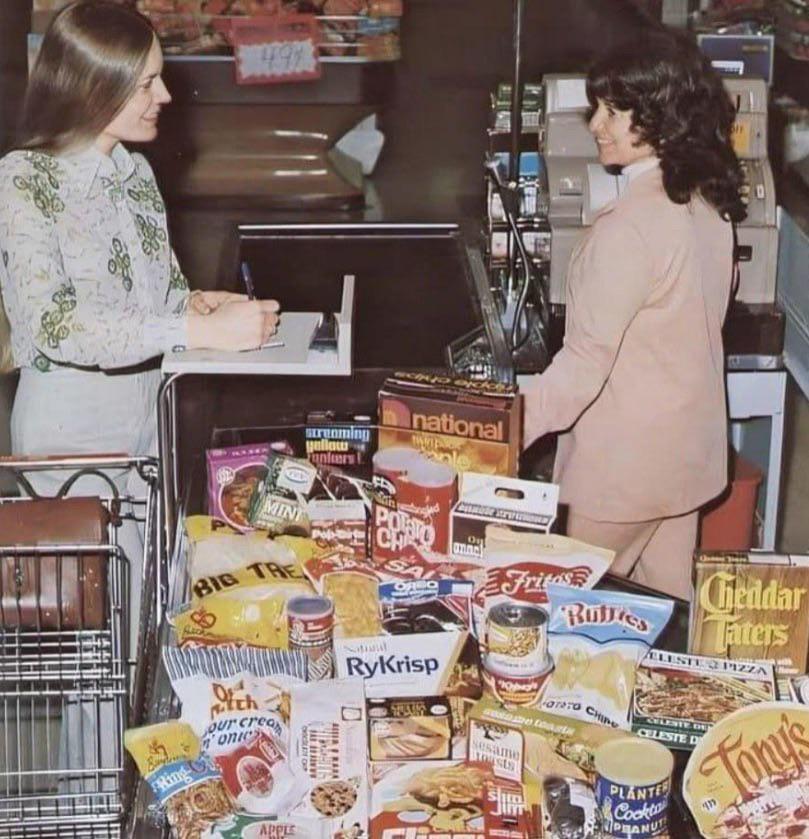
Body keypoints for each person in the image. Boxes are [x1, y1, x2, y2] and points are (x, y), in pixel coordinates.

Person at [0, 0, 279, 486]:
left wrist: (195, 305)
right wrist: (194, 330)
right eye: (147, 83)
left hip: (150, 418)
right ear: (95, 85)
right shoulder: (24, 179)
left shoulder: (136, 173)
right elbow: (55, 326)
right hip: (70, 432)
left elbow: (157, 298)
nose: (165, 95)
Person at [522, 30, 746, 600]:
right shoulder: (709, 206)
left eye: (614, 111)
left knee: (574, 616)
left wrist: (500, 429)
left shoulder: (628, 229)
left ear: (661, 117)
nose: (597, 124)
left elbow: (583, 366)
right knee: (667, 612)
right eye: (598, 108)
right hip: (684, 458)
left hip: (623, 470)